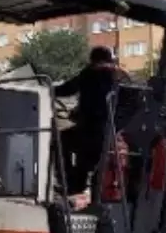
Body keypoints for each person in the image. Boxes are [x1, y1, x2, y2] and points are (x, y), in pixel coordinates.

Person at [54, 46, 130, 195]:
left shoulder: (90, 74)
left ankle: (72, 183)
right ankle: (81, 184)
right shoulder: (122, 76)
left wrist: (47, 90)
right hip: (115, 134)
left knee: (61, 140)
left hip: (93, 132)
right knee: (83, 148)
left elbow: (67, 89)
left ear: (93, 61)